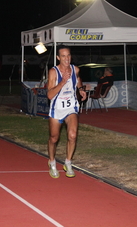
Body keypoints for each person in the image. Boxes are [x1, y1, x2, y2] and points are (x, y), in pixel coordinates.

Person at [46, 45, 86, 178]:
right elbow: (50, 95)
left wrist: (80, 89)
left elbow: (78, 78)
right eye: (63, 56)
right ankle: (52, 162)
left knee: (73, 135)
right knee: (54, 138)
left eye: (68, 55)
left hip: (71, 107)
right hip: (57, 108)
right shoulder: (53, 72)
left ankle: (68, 162)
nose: (66, 58)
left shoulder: (75, 69)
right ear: (58, 58)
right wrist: (62, 82)